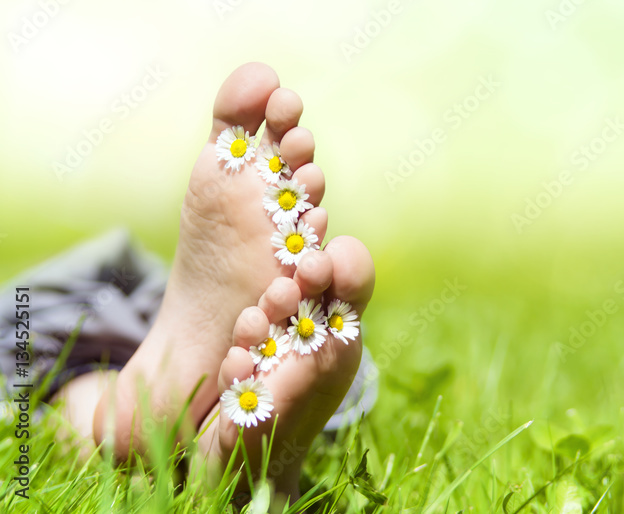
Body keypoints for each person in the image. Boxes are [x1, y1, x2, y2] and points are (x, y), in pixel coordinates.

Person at [0, 62, 377, 503]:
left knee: (40, 355)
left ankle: (107, 417)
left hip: (106, 335)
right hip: (176, 323)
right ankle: (224, 453)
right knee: (309, 331)